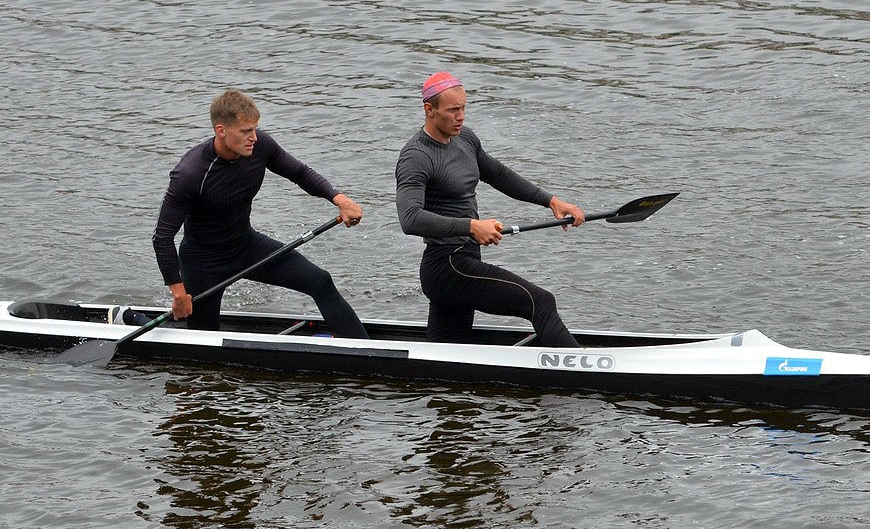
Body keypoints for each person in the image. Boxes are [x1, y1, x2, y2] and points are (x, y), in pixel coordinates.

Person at [151, 89, 369, 337]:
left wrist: (339, 199)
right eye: (245, 131)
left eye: (254, 129)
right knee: (204, 337)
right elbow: (163, 237)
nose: (253, 137)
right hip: (204, 264)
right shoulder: (190, 174)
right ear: (221, 130)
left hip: (246, 247)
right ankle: (132, 318)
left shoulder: (260, 146)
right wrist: (179, 293)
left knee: (320, 281)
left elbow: (300, 173)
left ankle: (369, 352)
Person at [395, 71, 586, 346]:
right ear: (429, 110)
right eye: (452, 110)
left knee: (447, 353)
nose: (460, 116)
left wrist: (551, 201)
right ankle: (581, 371)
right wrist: (472, 226)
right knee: (540, 301)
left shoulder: (465, 139)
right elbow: (409, 219)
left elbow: (497, 174)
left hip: (465, 260)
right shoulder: (416, 156)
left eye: (464, 107)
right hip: (448, 265)